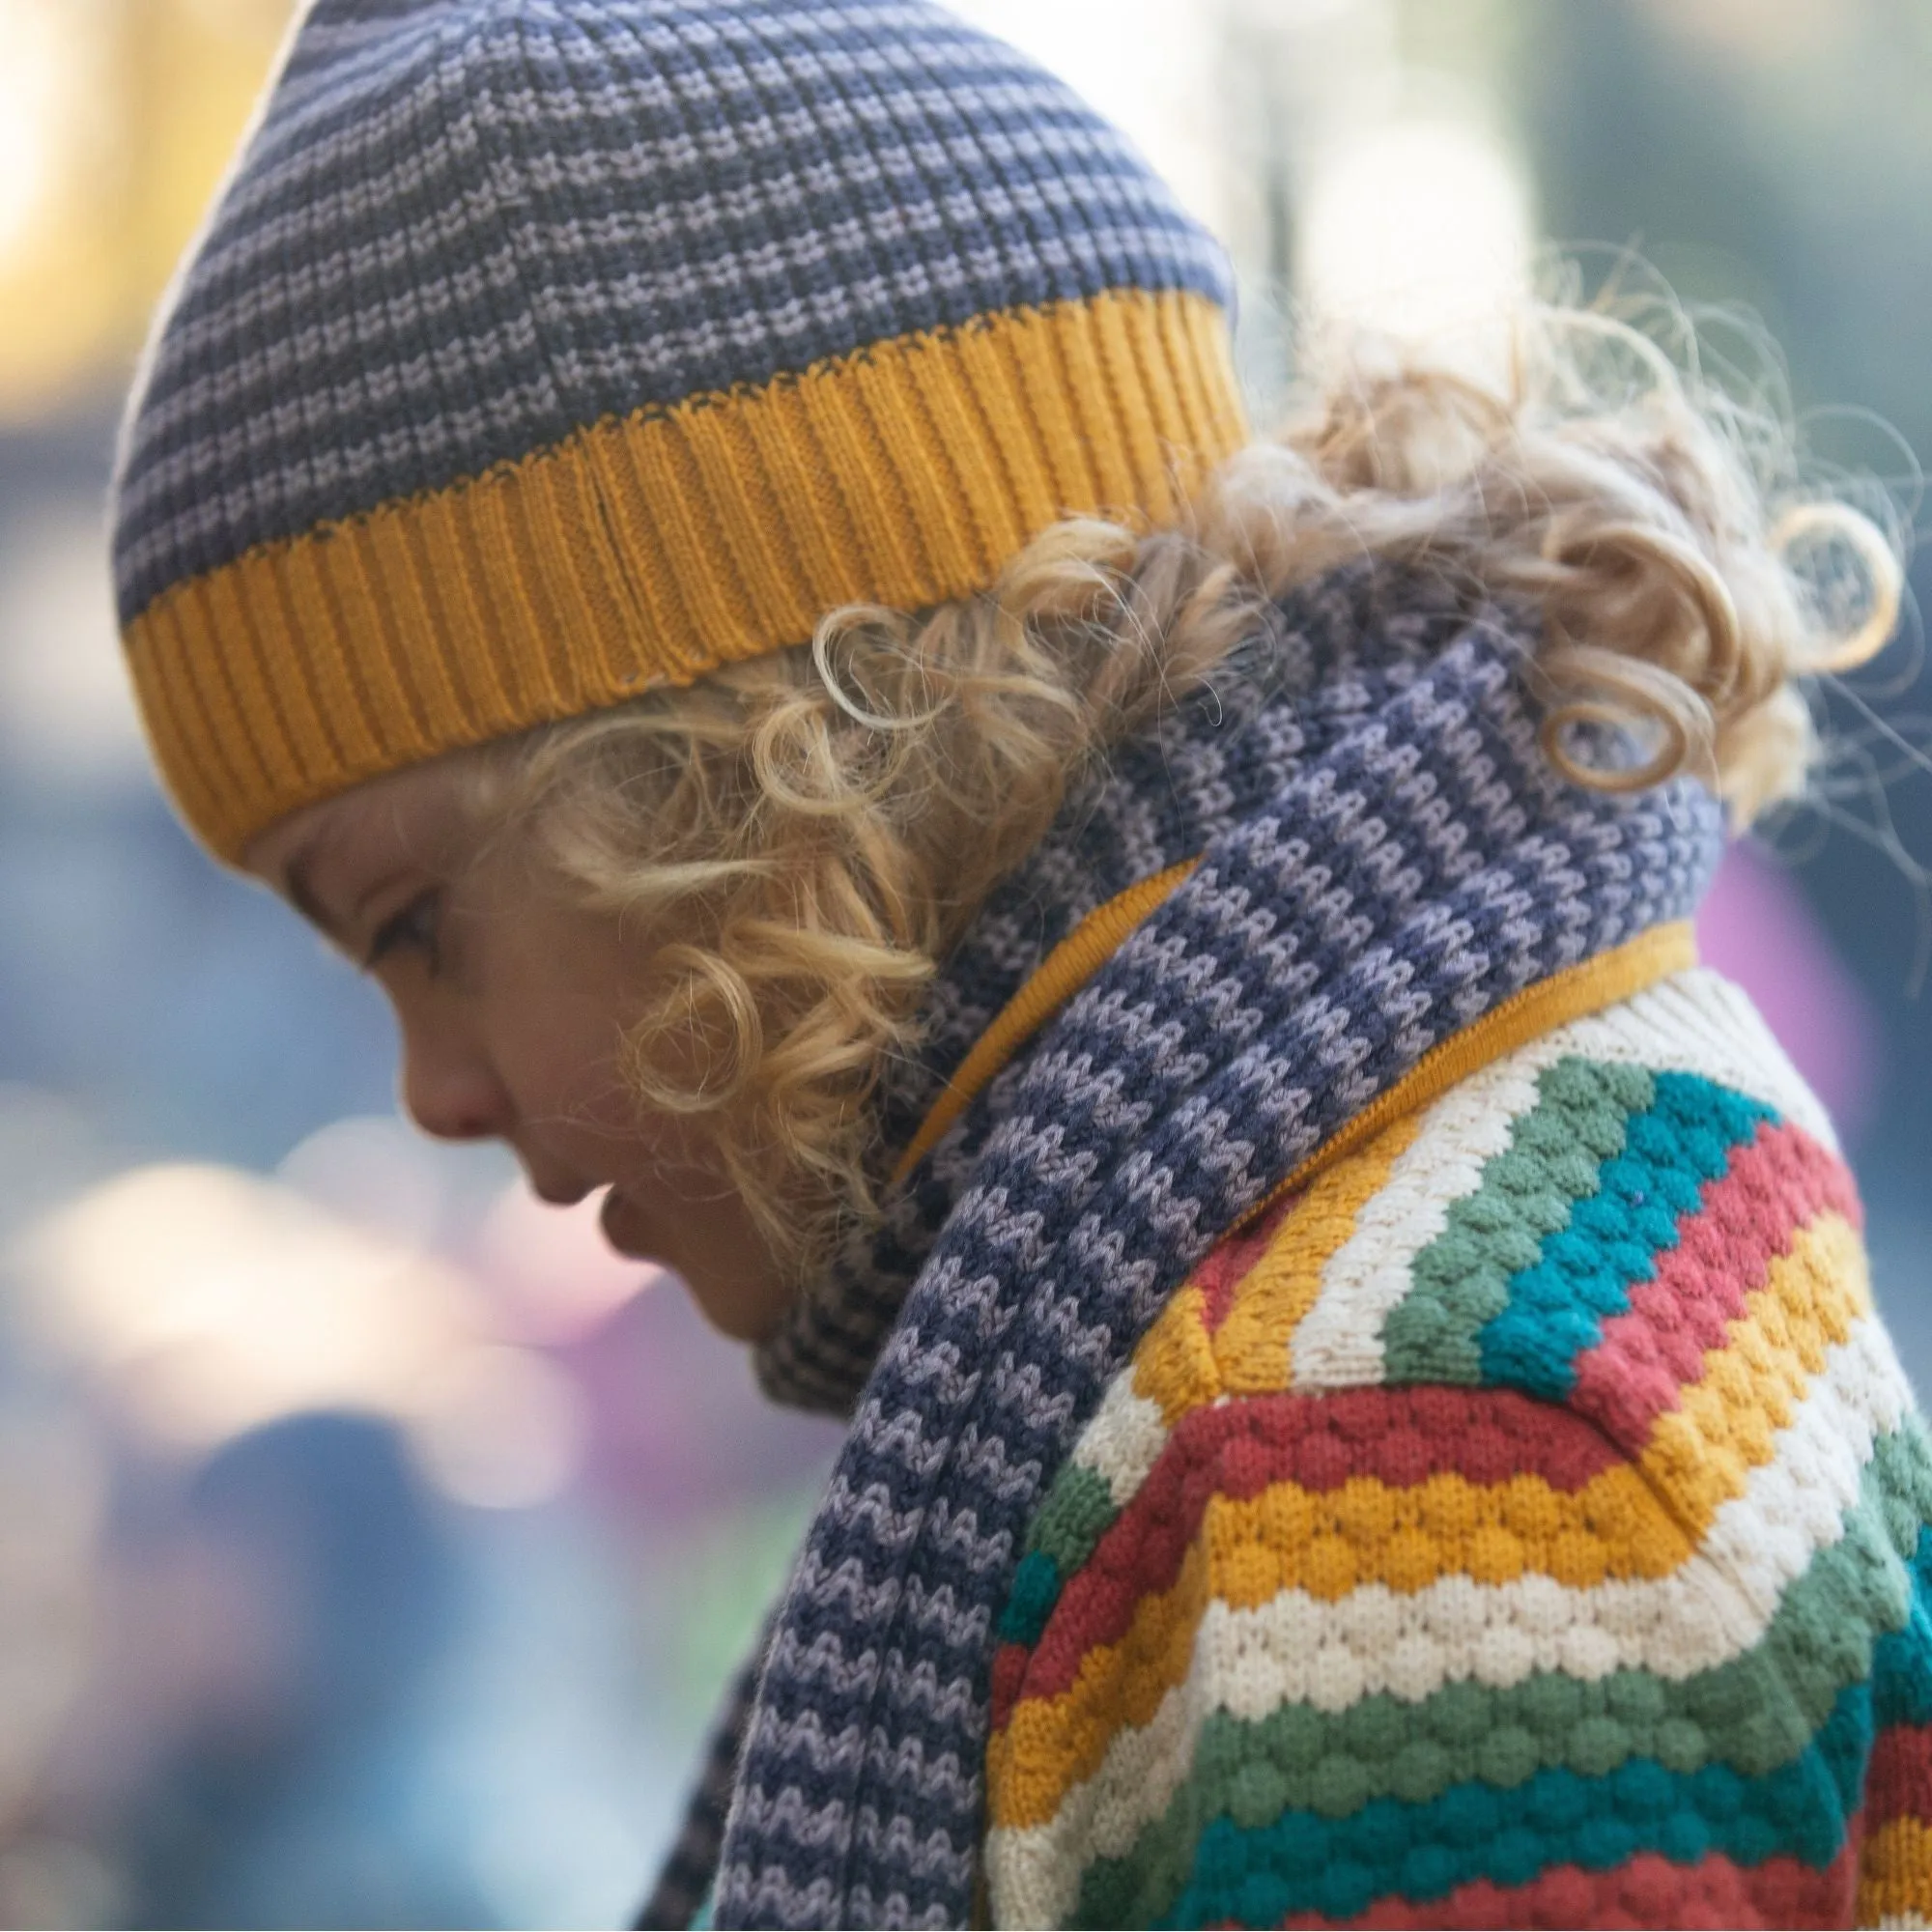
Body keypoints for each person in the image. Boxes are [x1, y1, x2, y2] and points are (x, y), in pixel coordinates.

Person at [108, 2, 1928, 1926]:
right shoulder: (1444, 1129)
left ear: (754, 764)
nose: (429, 1091)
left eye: (413, 925)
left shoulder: (1383, 1467)